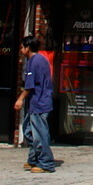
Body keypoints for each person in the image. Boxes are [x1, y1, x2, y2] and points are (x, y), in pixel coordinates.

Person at [17, 37, 59, 173]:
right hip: (36, 102)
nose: (21, 50)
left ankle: (45, 163)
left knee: (39, 134)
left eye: (22, 47)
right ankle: (33, 159)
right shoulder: (37, 60)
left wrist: (20, 99)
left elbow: (29, 85)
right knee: (28, 131)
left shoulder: (35, 61)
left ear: (28, 47)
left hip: (39, 102)